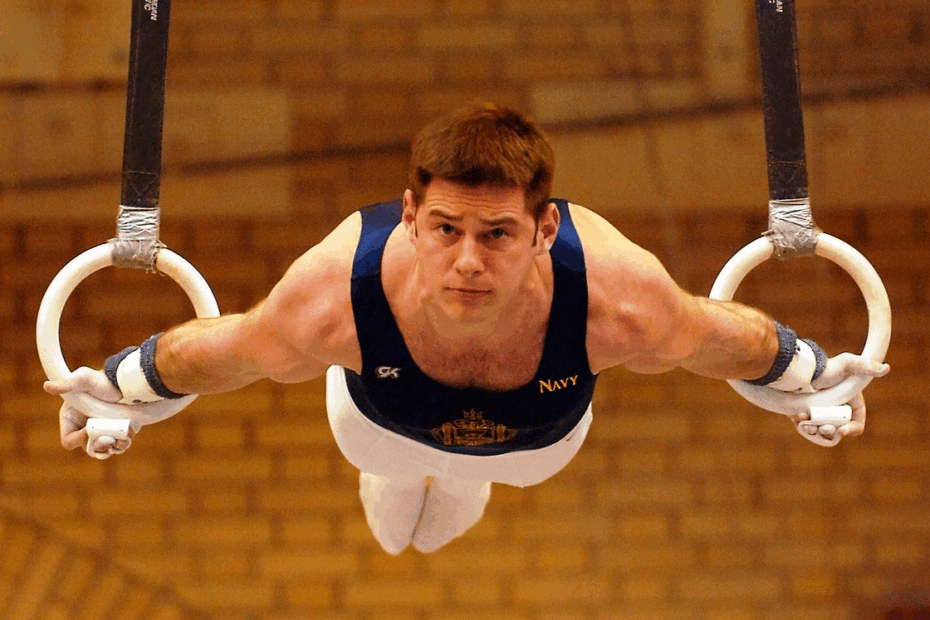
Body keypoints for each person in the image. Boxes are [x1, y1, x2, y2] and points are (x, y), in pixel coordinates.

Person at [45, 103, 889, 555]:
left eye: (498, 235)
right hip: (379, 432)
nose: (469, 262)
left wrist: (813, 371)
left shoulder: (617, 298)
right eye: (446, 229)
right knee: (394, 517)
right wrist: (116, 386)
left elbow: (722, 339)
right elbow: (225, 352)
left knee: (451, 511)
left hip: (535, 451)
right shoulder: (336, 295)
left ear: (547, 230)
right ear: (409, 217)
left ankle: (464, 482)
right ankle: (426, 478)